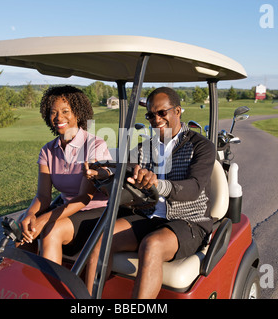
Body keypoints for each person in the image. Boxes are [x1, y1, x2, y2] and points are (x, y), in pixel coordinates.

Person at [85, 87, 216, 298]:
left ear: (178, 111)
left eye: (162, 113)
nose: (156, 119)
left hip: (189, 221)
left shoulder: (200, 146)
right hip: (149, 215)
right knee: (102, 237)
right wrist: (103, 171)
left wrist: (157, 184)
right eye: (150, 115)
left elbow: (193, 188)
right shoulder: (146, 147)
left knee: (152, 245)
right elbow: (123, 166)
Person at [17, 85, 112, 265]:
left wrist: (44, 219)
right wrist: (30, 214)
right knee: (20, 228)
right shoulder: (47, 150)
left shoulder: (95, 145)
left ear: (78, 112)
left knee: (50, 230)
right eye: (53, 112)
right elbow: (43, 196)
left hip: (94, 212)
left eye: (65, 111)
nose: (59, 118)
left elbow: (85, 197)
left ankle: (49, 291)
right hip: (65, 208)